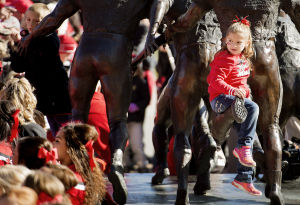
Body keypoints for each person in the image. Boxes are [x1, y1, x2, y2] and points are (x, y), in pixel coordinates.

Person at [145, 0, 300, 204]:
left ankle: (211, 142)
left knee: (187, 122)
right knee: (271, 125)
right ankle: (275, 188)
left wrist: (166, 33)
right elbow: (297, 11)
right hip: (266, 55)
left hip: (233, 60)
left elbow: (188, 20)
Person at [19, 0, 154, 203]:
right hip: (116, 49)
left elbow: (54, 18)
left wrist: (31, 36)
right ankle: (117, 161)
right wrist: (154, 36)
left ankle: (79, 176)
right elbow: (165, 8)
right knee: (118, 119)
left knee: (77, 119)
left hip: (85, 51)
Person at [207, 18, 261, 196]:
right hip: (220, 99)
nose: (234, 45)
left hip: (235, 100)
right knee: (253, 108)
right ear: (225, 40)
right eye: (230, 41)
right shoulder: (223, 58)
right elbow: (214, 81)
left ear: (247, 43)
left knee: (248, 135)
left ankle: (243, 178)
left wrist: (243, 91)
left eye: (239, 42)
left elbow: (243, 84)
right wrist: (233, 90)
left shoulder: (243, 59)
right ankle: (243, 147)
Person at [10, 3, 71, 136]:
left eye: (37, 21)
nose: (31, 24)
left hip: (57, 96)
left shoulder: (50, 37)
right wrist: (16, 44)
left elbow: (41, 55)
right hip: (39, 96)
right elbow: (18, 66)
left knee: (63, 134)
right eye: (28, 19)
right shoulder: (27, 39)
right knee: (39, 132)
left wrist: (24, 41)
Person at [53, 122, 107, 205]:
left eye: (57, 141)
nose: (52, 144)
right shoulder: (85, 173)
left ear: (70, 148)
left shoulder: (73, 181)